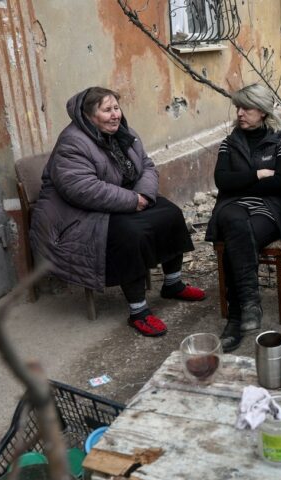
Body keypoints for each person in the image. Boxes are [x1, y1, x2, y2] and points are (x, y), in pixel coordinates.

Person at [31, 86, 205, 337]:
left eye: (116, 108)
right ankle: (138, 312)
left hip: (122, 200)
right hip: (76, 216)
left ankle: (173, 283)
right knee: (129, 234)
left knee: (170, 214)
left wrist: (143, 196)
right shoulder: (73, 142)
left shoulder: (124, 133)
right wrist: (132, 200)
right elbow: (82, 189)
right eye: (106, 110)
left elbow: (146, 165)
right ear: (89, 115)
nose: (115, 115)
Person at [205, 84, 281, 352]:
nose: (240, 113)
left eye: (247, 107)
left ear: (264, 111)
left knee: (237, 233)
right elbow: (222, 181)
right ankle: (249, 304)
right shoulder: (229, 142)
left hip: (267, 210)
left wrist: (240, 183)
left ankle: (236, 318)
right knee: (234, 222)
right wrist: (258, 175)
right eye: (238, 107)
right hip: (232, 206)